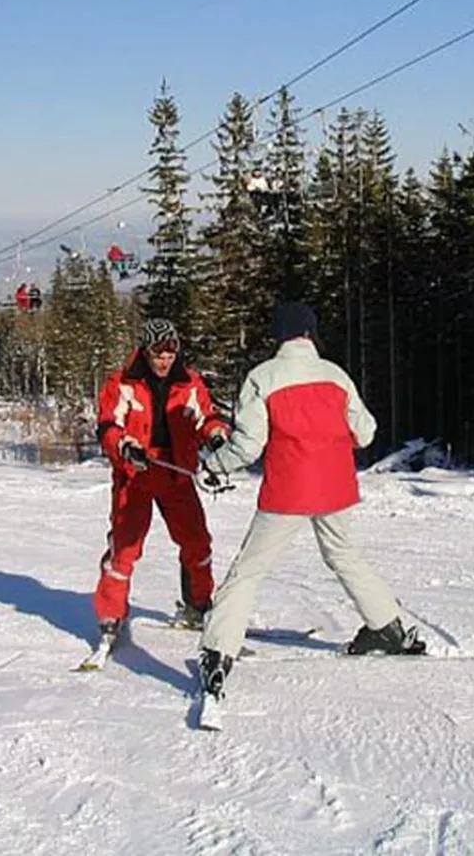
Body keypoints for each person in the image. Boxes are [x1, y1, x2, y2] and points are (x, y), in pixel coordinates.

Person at [196, 302, 426, 705]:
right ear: (311, 333)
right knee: (344, 556)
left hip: (289, 489)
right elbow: (367, 432)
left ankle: (218, 654)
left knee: (248, 572)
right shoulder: (335, 375)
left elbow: (249, 445)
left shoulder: (262, 377)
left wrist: (215, 465)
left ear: (278, 335)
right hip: (335, 486)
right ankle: (388, 627)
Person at [92, 318, 231, 646]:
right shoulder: (124, 383)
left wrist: (215, 435)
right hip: (136, 472)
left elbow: (205, 417)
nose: (165, 360)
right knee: (125, 547)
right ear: (146, 350)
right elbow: (108, 424)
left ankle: (199, 603)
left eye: (171, 352)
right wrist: (125, 446)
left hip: (176, 472)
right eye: (158, 353)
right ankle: (111, 614)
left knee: (197, 542)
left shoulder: (189, 383)